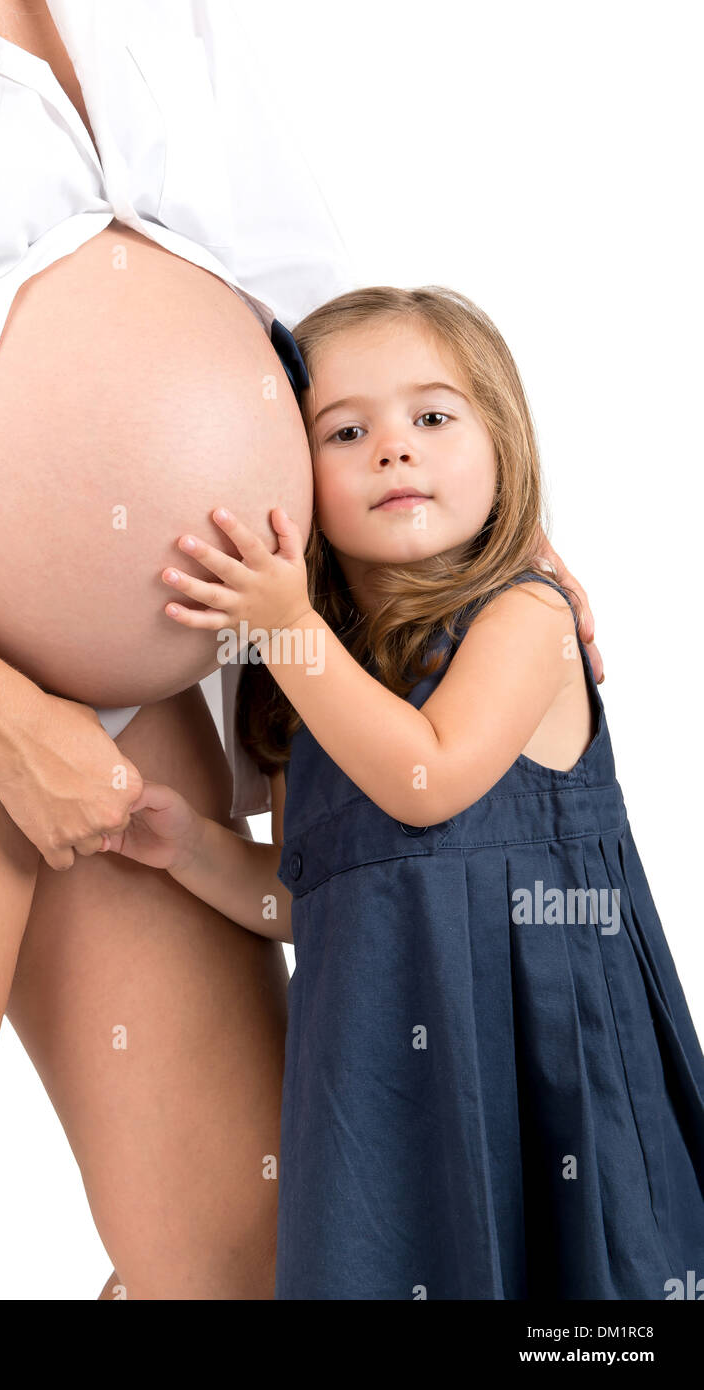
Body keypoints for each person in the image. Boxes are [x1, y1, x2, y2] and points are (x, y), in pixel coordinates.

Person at [0, 0, 359, 1301]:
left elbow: (317, 300)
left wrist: (493, 548)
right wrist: (7, 722)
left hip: (145, 716)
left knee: (244, 1256)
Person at [105, 285, 704, 1299]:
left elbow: (428, 777)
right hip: (392, 1084)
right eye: (347, 431)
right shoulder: (302, 689)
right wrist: (194, 849)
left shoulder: (527, 619)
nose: (394, 449)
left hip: (543, 1069)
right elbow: (318, 898)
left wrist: (288, 629)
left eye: (433, 416)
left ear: (503, 448)